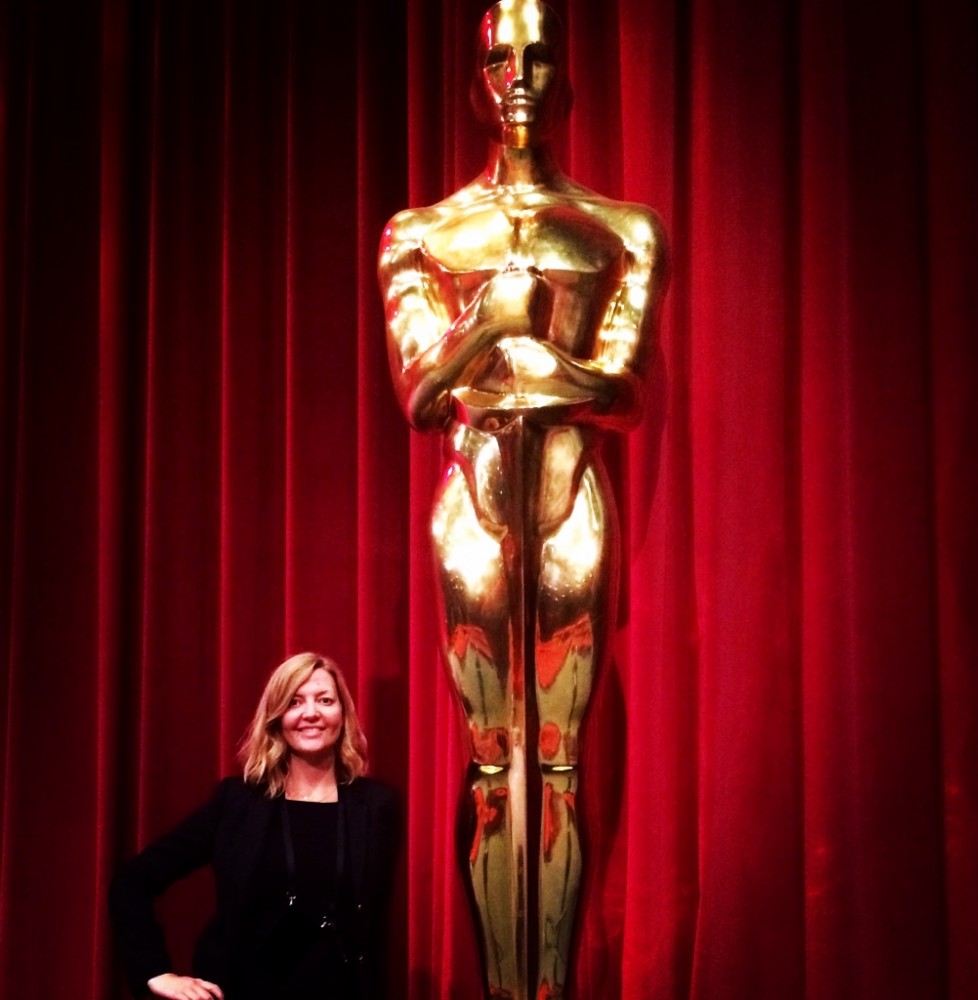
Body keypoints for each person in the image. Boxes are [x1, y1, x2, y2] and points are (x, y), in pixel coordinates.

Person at [378, 1, 667, 996]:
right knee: (489, 770)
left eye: (537, 56)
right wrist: (481, 327)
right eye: (500, 56)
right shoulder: (421, 232)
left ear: (563, 76)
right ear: (476, 73)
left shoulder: (619, 231)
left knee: (557, 765)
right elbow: (419, 394)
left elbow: (624, 392)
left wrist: (533, 351)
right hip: (474, 505)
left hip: (567, 502)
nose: (518, 75)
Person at [109, 653, 401, 1000]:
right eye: (294, 702)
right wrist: (155, 971)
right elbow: (132, 882)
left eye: (325, 700)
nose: (311, 713)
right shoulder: (239, 803)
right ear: (277, 718)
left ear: (343, 714)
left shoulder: (376, 805)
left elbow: (374, 927)